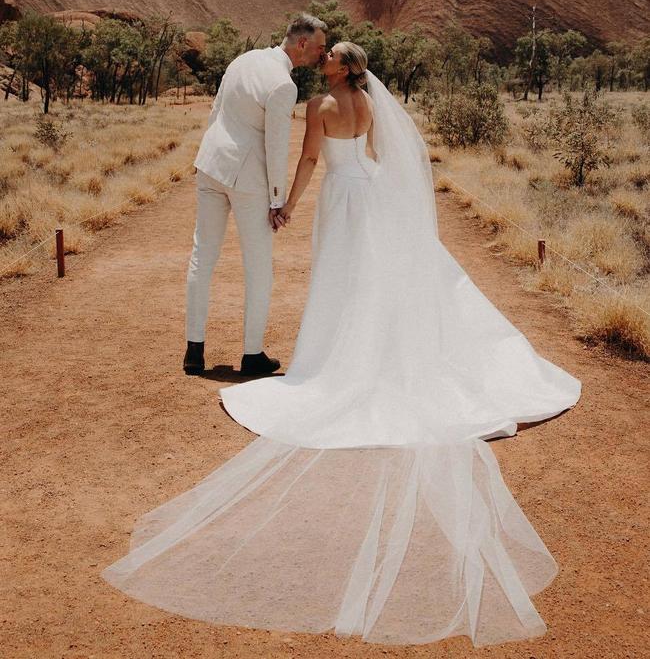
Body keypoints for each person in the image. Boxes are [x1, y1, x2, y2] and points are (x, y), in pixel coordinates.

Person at [104, 43, 581, 648]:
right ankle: (373, 345)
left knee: (342, 277)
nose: (321, 59)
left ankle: (339, 358)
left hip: (339, 197)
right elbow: (379, 155)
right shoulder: (365, 100)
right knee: (374, 278)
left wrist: (286, 205)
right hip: (371, 193)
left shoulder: (322, 103)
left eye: (328, 55)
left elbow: (308, 162)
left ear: (336, 66)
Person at [183, 13, 327, 377]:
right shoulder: (283, 85)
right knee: (258, 267)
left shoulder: (243, 59)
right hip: (247, 180)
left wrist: (203, 156)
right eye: (320, 46)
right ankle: (251, 355)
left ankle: (194, 351)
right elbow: (276, 147)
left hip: (211, 164)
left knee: (203, 256)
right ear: (302, 44)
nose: (323, 54)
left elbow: (217, 110)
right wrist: (278, 201)